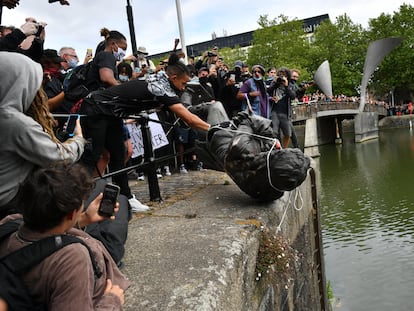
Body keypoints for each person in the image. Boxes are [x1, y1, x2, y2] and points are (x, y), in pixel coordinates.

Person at [0, 51, 129, 264]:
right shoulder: (12, 120)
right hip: (16, 207)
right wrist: (79, 138)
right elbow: (60, 157)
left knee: (100, 191)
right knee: (114, 200)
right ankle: (103, 257)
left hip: (21, 199)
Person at [0, 162, 128, 310]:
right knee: (122, 205)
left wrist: (85, 218)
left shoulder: (10, 222)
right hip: (92, 277)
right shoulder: (71, 258)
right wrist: (111, 301)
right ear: (72, 213)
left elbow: (44, 234)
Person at [268, 67, 297, 148]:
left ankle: (284, 149)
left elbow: (293, 96)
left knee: (288, 133)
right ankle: (277, 149)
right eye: (280, 75)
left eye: (283, 75)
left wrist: (286, 85)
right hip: (275, 111)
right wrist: (275, 83)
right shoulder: (275, 84)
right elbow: (268, 91)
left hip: (285, 112)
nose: (282, 76)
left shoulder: (291, 85)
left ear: (287, 76)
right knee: (274, 132)